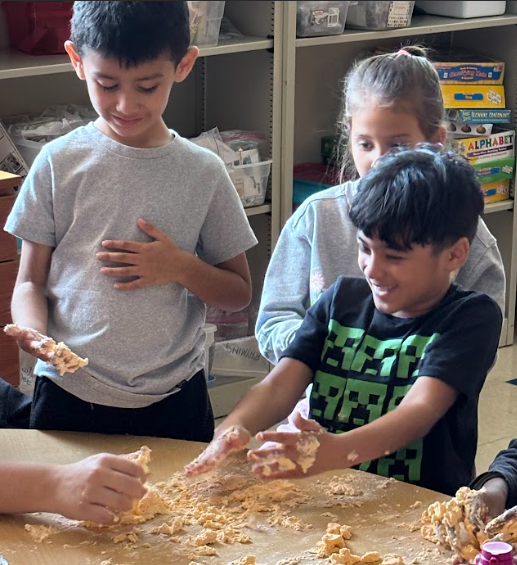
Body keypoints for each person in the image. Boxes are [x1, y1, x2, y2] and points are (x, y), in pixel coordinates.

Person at [185, 144, 503, 496]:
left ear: (454, 254)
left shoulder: (471, 317)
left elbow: (420, 409)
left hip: (417, 507)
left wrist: (336, 451)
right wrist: (232, 431)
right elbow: (278, 386)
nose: (373, 269)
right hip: (330, 499)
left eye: (395, 257)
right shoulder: (340, 302)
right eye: (365, 248)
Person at [3, 2, 257, 441]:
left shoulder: (203, 171)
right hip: (69, 391)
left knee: (177, 508)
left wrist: (180, 267)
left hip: (174, 397)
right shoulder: (57, 163)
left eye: (147, 86)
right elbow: (29, 282)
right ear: (77, 62)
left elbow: (238, 295)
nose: (126, 104)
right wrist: (34, 334)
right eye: (107, 84)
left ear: (183, 65)